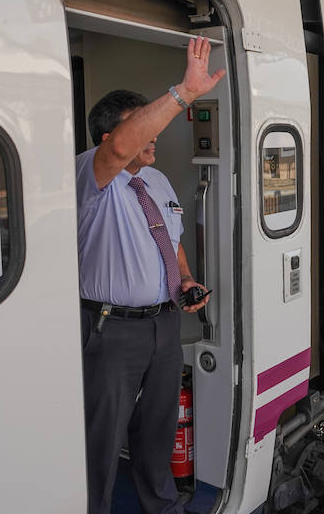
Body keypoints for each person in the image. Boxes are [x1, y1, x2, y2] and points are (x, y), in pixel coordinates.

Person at [76, 36, 225, 514]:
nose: (154, 135)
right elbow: (122, 147)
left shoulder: (156, 180)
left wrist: (184, 278)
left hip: (162, 323)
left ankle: (160, 505)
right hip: (109, 328)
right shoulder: (92, 175)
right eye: (144, 126)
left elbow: (171, 236)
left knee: (157, 424)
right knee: (101, 433)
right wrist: (183, 92)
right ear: (108, 138)